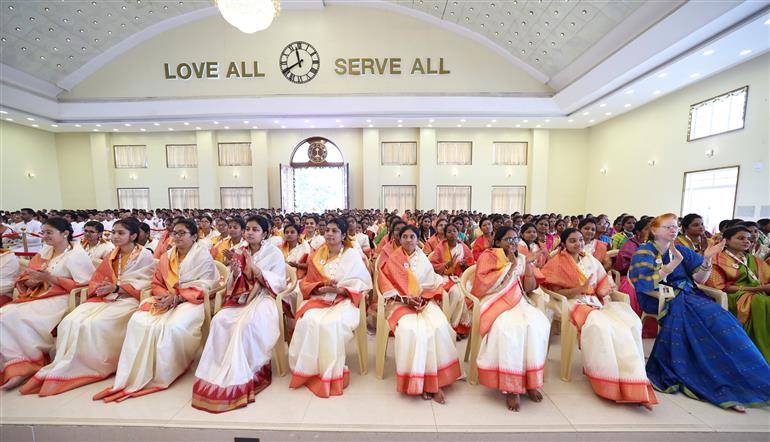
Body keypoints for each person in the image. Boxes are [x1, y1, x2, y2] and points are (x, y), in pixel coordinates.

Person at [629, 213, 770, 411]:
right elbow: (643, 284)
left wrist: (707, 259)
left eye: (674, 226)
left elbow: (701, 279)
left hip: (688, 296)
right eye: (667, 227)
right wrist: (670, 267)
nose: (672, 230)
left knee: (724, 322)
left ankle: (739, 378)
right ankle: (714, 382)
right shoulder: (645, 252)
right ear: (654, 230)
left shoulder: (680, 250)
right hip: (658, 297)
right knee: (700, 321)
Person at [20, 218, 156, 396]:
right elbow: (97, 278)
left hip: (129, 298)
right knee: (71, 321)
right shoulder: (113, 254)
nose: (115, 236)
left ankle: (96, 365)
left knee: (95, 323)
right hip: (106, 296)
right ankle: (64, 364)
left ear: (133, 236)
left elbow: (146, 281)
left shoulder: (144, 254)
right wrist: (102, 287)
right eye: (113, 232)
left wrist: (117, 288)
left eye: (120, 233)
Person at [94, 219, 219, 402]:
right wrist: (164, 296)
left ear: (194, 236)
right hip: (165, 298)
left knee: (172, 327)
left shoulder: (202, 256)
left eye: (182, 233)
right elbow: (156, 283)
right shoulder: (167, 256)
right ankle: (133, 375)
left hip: (191, 300)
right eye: (175, 233)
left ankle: (165, 371)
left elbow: (206, 284)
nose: (177, 237)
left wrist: (177, 297)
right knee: (139, 321)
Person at [543, 228, 656, 409]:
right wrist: (580, 289)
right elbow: (553, 291)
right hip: (572, 302)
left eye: (580, 240)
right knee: (601, 327)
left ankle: (635, 382)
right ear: (563, 243)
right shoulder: (556, 262)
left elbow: (603, 282)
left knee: (629, 323)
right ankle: (608, 381)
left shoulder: (589, 259)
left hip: (596, 301)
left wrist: (604, 290)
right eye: (572, 240)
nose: (578, 244)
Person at [193, 215, 287, 413]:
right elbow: (231, 283)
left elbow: (278, 282)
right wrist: (235, 271)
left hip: (264, 297)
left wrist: (254, 268)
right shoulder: (239, 251)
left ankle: (250, 370)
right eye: (248, 229)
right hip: (241, 297)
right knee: (220, 320)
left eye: (255, 229)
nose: (250, 233)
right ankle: (219, 369)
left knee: (245, 325)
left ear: (265, 233)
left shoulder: (274, 253)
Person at [0, 218, 95, 389]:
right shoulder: (46, 250)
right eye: (43, 232)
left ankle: (27, 363)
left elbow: (86, 284)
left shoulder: (76, 254)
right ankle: (11, 363)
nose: (44, 236)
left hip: (61, 297)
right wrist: (31, 281)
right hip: (39, 293)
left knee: (15, 316)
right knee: (4, 314)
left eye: (49, 233)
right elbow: (28, 276)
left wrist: (50, 278)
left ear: (65, 233)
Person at [288, 218, 372, 398]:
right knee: (308, 320)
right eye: (327, 230)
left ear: (343, 235)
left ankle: (329, 372)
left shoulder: (351, 255)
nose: (330, 234)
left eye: (335, 231)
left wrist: (340, 289)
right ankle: (310, 369)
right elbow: (308, 281)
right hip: (320, 298)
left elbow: (362, 282)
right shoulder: (317, 254)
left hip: (344, 300)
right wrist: (319, 287)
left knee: (331, 323)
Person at [377, 225, 461, 404]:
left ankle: (434, 381)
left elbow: (431, 283)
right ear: (399, 239)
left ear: (417, 240)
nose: (408, 240)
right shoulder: (393, 259)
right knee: (412, 330)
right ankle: (419, 381)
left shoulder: (423, 259)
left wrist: (422, 298)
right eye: (404, 236)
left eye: (412, 237)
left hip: (423, 301)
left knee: (439, 326)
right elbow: (385, 283)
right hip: (399, 303)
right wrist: (405, 299)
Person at [471, 227, 550, 411]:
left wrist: (528, 266)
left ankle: (530, 380)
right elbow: (485, 286)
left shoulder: (522, 256)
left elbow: (529, 287)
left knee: (538, 324)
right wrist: (513, 265)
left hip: (518, 300)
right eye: (508, 239)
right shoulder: (488, 256)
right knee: (510, 328)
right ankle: (511, 388)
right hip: (494, 300)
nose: (513, 243)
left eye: (515, 239)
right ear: (498, 242)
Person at [707, 225, 770, 364]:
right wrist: (758, 288)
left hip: (757, 292)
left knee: (762, 300)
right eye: (741, 238)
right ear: (727, 241)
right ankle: (759, 350)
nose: (746, 241)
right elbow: (721, 287)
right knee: (762, 302)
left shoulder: (754, 259)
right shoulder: (717, 259)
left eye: (748, 239)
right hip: (733, 296)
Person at [429, 223, 475, 336]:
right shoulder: (440, 247)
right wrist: (448, 264)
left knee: (468, 291)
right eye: (449, 231)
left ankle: (460, 327)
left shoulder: (463, 247)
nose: (452, 233)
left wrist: (464, 265)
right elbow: (433, 265)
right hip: (445, 277)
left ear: (458, 232)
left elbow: (471, 264)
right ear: (445, 234)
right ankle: (450, 326)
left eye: (454, 231)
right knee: (455, 293)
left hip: (461, 277)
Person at [612, 218, 655, 337]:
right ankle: (636, 325)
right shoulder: (630, 245)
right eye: (647, 229)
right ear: (638, 232)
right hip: (629, 276)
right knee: (634, 290)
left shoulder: (658, 244)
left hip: (655, 276)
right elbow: (623, 266)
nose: (652, 231)